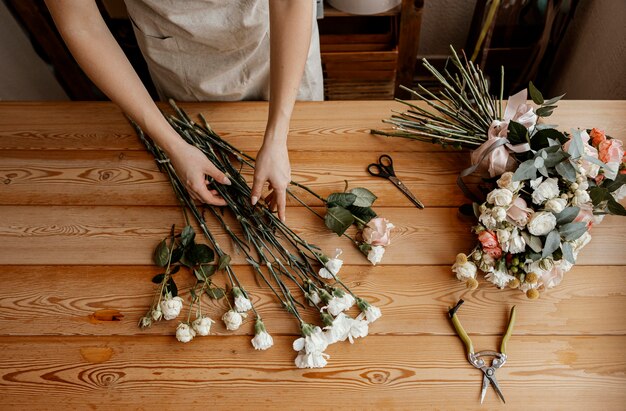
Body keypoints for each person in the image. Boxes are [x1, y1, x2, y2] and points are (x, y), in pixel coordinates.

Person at [44, 0, 324, 222]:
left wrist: (277, 134)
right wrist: (174, 145)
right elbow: (81, 25)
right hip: (181, 55)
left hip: (279, 39)